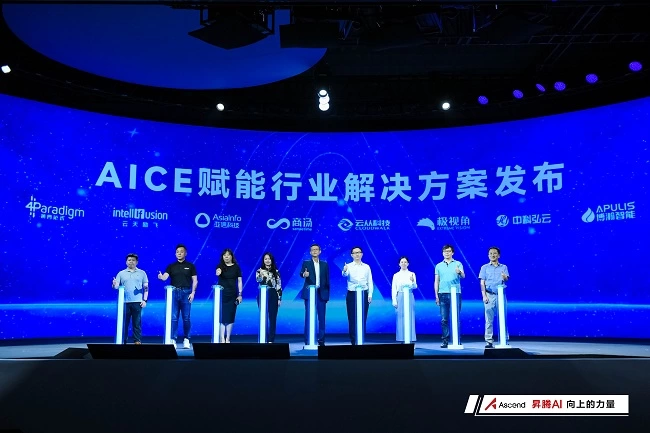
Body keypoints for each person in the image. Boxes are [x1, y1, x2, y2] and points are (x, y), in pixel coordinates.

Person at [158, 244, 198, 349]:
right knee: (174, 318)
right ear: (175, 254)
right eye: (177, 252)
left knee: (186, 318)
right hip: (174, 293)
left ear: (185, 253)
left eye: (181, 251)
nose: (179, 253)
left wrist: (193, 293)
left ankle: (186, 339)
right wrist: (162, 277)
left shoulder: (190, 266)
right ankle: (173, 339)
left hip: (186, 293)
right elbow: (165, 276)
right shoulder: (171, 266)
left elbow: (195, 280)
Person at [113, 253, 149, 344]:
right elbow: (116, 287)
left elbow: (146, 287)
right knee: (124, 323)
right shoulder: (121, 273)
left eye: (133, 260)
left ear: (137, 262)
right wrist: (114, 284)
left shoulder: (142, 273)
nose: (131, 262)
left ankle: (137, 340)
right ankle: (123, 340)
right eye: (129, 260)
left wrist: (145, 300)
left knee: (137, 323)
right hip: (125, 302)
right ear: (126, 262)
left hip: (137, 302)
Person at [434, 244, 465, 348]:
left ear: (452, 252)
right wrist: (436, 295)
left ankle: (457, 339)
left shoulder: (458, 263)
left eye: (448, 251)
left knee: (456, 317)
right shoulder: (438, 265)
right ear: (442, 253)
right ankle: (445, 340)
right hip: (442, 293)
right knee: (444, 319)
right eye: (445, 251)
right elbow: (436, 281)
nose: (446, 253)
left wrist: (459, 272)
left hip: (455, 294)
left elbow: (463, 276)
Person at [479, 246, 510, 348]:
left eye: (495, 253)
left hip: (500, 295)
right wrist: (484, 296)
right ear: (488, 255)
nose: (493, 255)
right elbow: (482, 283)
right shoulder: (484, 267)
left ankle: (504, 340)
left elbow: (506, 279)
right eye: (491, 253)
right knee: (489, 319)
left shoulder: (503, 267)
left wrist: (504, 277)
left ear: (499, 255)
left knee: (503, 318)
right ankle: (489, 341)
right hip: (489, 295)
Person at [300, 243, 330, 346]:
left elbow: (327, 280)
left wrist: (327, 295)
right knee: (309, 317)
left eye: (316, 249)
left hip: (321, 294)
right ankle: (308, 340)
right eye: (313, 250)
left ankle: (321, 340)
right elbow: (301, 273)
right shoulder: (306, 263)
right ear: (310, 252)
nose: (315, 251)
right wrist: (304, 274)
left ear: (320, 251)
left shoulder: (324, 264)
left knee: (321, 318)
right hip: (310, 293)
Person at [342, 246, 373, 345]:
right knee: (352, 318)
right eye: (355, 253)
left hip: (363, 293)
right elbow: (344, 274)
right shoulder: (349, 266)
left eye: (359, 252)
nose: (357, 254)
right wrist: (345, 270)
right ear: (352, 255)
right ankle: (353, 340)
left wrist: (370, 294)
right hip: (352, 293)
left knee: (363, 317)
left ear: (362, 254)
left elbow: (370, 281)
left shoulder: (366, 267)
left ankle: (361, 339)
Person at [216, 248, 243, 343]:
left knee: (230, 317)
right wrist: (218, 272)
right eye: (224, 255)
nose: (226, 257)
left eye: (228, 255)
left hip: (232, 295)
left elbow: (239, 281)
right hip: (222, 295)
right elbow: (217, 272)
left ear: (231, 256)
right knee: (222, 317)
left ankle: (228, 338)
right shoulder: (220, 266)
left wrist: (240, 294)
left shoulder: (236, 267)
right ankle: (221, 338)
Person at [256, 252, 282, 343]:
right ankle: (263, 338)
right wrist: (262, 275)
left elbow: (279, 286)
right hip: (262, 294)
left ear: (271, 260)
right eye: (265, 259)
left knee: (272, 318)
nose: (267, 260)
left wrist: (279, 298)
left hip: (273, 294)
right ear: (263, 260)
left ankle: (271, 339)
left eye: (269, 259)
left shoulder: (276, 272)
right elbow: (258, 280)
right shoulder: (259, 271)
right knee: (263, 317)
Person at [391, 256, 417, 343]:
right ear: (399, 264)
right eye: (402, 262)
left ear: (408, 264)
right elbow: (394, 288)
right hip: (400, 296)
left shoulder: (412, 274)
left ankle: (410, 339)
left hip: (409, 295)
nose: (403, 263)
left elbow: (415, 286)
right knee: (400, 317)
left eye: (405, 262)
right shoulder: (396, 275)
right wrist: (394, 300)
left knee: (410, 316)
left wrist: (412, 281)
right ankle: (401, 339)